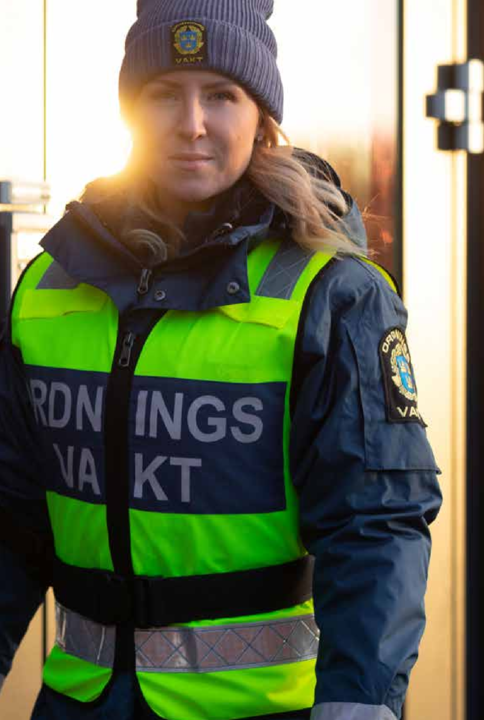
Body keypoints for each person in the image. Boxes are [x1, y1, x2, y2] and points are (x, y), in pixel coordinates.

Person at [0, 2, 442, 719]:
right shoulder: (50, 285)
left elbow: (374, 529)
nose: (192, 123)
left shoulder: (332, 295)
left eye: (221, 95)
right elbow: (10, 519)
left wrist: (359, 706)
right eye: (163, 94)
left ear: (262, 118)